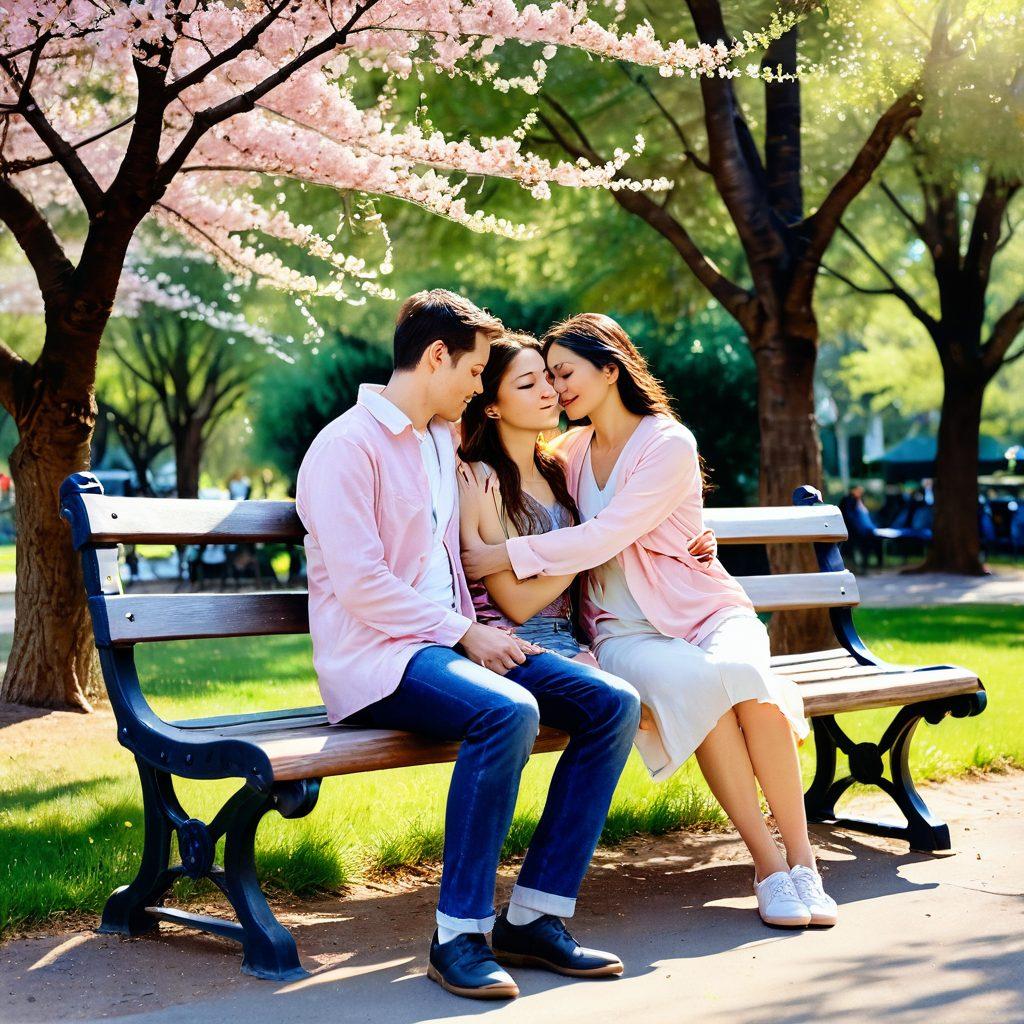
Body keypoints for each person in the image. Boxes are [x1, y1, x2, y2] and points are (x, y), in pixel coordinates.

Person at [295, 292, 641, 1001]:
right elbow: (362, 587)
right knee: (508, 712)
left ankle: (537, 917)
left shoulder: (440, 441)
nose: (479, 388)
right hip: (377, 660)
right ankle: (460, 937)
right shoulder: (344, 447)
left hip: (451, 651)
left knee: (612, 703)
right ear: (434, 358)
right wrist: (465, 632)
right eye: (475, 371)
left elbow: (544, 447)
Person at [461, 312, 838, 931]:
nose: (554, 388)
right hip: (622, 631)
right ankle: (768, 865)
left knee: (745, 673)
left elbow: (608, 532)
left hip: (703, 608)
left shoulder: (668, 442)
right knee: (702, 687)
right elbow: (498, 440)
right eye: (547, 376)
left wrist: (503, 555)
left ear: (610, 370)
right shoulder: (568, 452)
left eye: (564, 373)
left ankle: (803, 863)